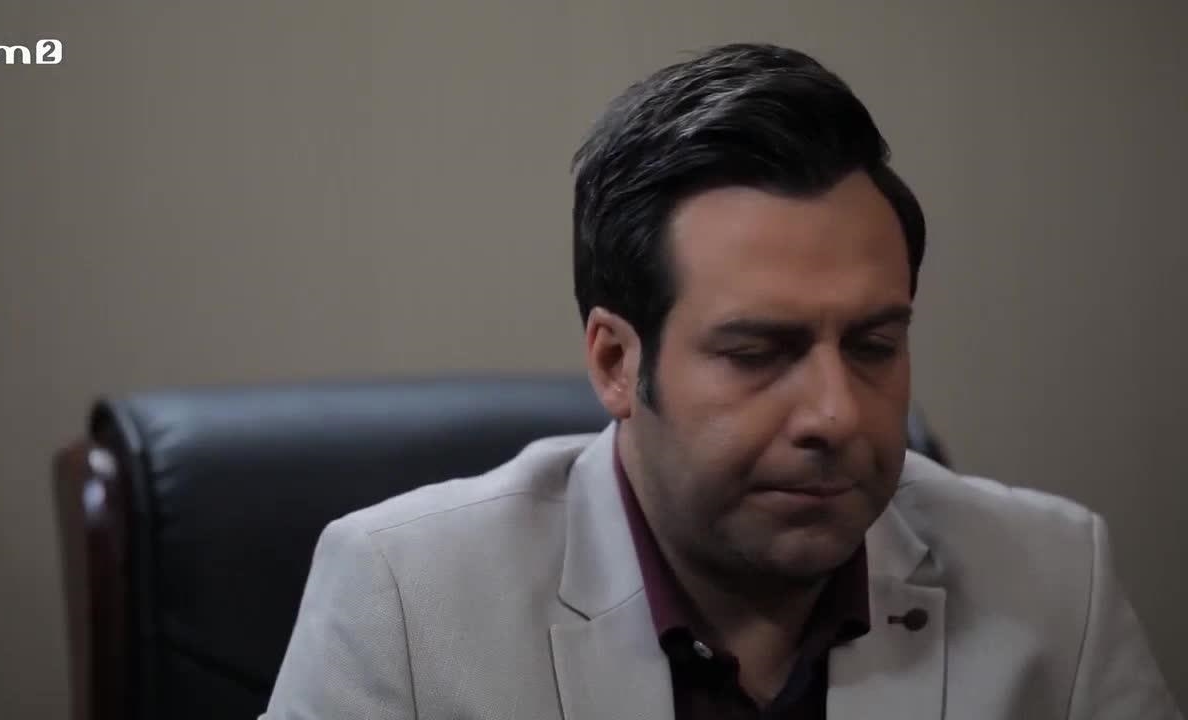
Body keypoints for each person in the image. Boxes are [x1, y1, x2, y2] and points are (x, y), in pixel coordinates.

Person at [261, 42, 1181, 719]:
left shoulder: (1057, 580)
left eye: (873, 345)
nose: (834, 414)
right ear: (617, 363)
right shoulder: (405, 599)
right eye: (758, 352)